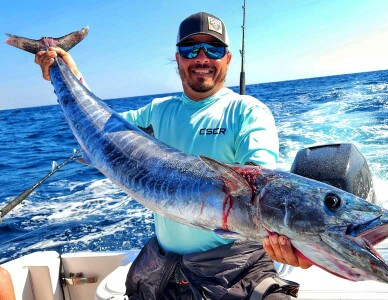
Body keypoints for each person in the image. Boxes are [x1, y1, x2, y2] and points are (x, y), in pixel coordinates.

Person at [35, 12, 311, 299]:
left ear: (227, 59)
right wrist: (67, 72)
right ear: (178, 59)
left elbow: (257, 190)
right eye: (191, 50)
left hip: (237, 270)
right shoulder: (158, 111)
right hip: (168, 271)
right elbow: (100, 127)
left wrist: (297, 241)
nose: (202, 58)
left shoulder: (248, 112)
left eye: (213, 49)